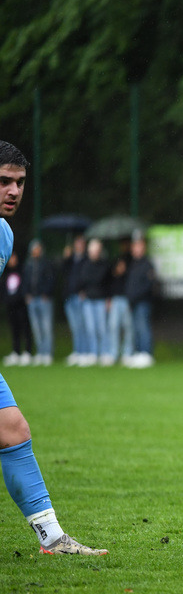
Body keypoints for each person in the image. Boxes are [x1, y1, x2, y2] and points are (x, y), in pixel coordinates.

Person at [0, 140, 106, 554]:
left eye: (20, 182)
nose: (13, 191)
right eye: (4, 181)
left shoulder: (5, 235)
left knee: (14, 432)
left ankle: (53, 538)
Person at [124, 236, 157, 368]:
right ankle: (138, 352)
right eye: (135, 247)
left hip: (143, 301)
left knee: (143, 328)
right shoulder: (132, 264)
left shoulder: (147, 264)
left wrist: (137, 296)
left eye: (139, 247)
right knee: (135, 329)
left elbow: (149, 285)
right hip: (132, 302)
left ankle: (146, 353)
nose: (137, 250)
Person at [78, 238, 109, 368]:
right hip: (89, 300)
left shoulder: (103, 264)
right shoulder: (85, 264)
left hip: (100, 300)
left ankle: (104, 353)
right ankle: (93, 353)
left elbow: (101, 279)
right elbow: (84, 279)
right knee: (90, 328)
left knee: (101, 329)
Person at [24, 240, 55, 366]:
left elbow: (51, 279)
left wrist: (46, 293)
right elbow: (25, 281)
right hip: (32, 299)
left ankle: (47, 353)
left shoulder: (46, 263)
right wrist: (26, 294)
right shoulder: (28, 264)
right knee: (36, 328)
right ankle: (40, 352)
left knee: (46, 327)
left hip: (44, 299)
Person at [104, 243, 133, 367]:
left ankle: (127, 353)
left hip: (126, 300)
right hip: (115, 300)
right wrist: (108, 300)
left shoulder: (129, 268)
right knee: (113, 327)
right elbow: (108, 286)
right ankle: (113, 353)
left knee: (127, 327)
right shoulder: (112, 272)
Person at [2, 251, 32, 365]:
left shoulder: (21, 271)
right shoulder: (6, 272)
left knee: (25, 328)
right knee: (14, 329)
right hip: (10, 305)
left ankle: (27, 352)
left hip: (20, 305)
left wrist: (21, 298)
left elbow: (24, 287)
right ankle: (16, 352)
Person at [61, 235, 88, 366]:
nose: (79, 246)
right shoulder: (70, 259)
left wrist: (84, 290)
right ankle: (77, 351)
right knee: (74, 327)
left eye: (81, 243)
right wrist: (65, 258)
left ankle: (83, 352)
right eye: (77, 243)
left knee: (81, 325)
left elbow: (86, 278)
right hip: (69, 296)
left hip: (79, 296)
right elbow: (63, 272)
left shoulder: (86, 260)